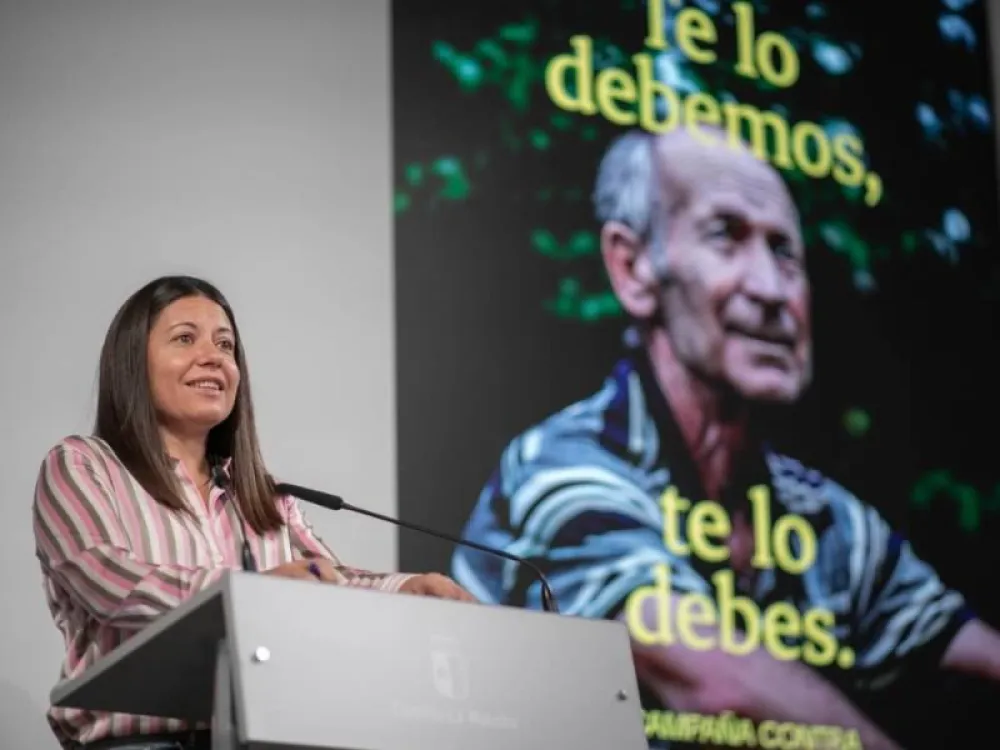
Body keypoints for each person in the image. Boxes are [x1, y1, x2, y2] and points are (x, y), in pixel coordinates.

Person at [451, 127, 1000, 749]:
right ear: (632, 269)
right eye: (725, 236)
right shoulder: (560, 468)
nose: (771, 290)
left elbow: (967, 649)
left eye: (786, 252)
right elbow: (714, 684)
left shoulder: (824, 517)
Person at [33, 275, 474, 750]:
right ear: (131, 363)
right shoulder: (82, 464)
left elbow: (327, 579)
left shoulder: (263, 494)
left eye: (226, 345)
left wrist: (407, 588)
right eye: (185, 338)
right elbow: (109, 582)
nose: (214, 357)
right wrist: (250, 592)